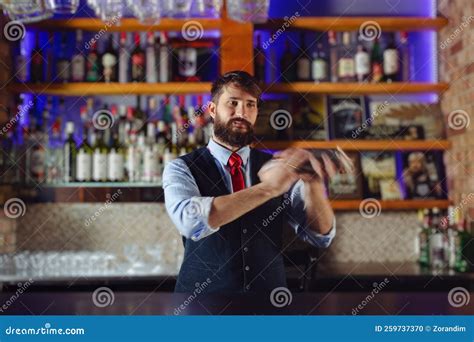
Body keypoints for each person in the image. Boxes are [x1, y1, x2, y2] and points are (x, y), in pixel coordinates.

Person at [163, 71, 343, 294]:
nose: (242, 112)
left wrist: (314, 184)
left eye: (250, 104)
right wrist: (268, 189)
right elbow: (190, 222)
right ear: (211, 109)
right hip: (202, 305)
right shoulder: (181, 168)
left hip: (268, 303)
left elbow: (320, 235)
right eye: (233, 103)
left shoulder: (279, 166)